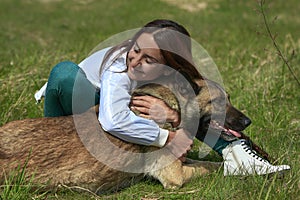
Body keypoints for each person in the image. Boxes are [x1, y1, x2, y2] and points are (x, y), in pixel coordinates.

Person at [35, 19, 290, 175]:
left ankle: (236, 153)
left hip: (116, 108)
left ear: (171, 64)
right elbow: (113, 119)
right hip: (80, 99)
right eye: (135, 50)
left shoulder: (175, 76)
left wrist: (172, 115)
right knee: (65, 73)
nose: (136, 60)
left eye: (149, 59)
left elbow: (196, 106)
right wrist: (167, 136)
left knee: (193, 104)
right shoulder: (120, 67)